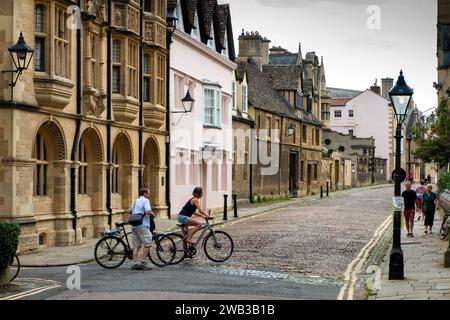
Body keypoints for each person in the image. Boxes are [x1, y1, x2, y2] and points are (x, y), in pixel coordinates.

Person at [129, 188, 155, 270]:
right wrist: (153, 214)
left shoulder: (136, 201)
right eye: (148, 193)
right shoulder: (145, 200)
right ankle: (143, 262)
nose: (149, 195)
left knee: (136, 246)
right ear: (145, 193)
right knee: (148, 243)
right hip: (142, 225)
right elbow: (147, 211)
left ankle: (134, 263)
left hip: (134, 225)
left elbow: (130, 211)